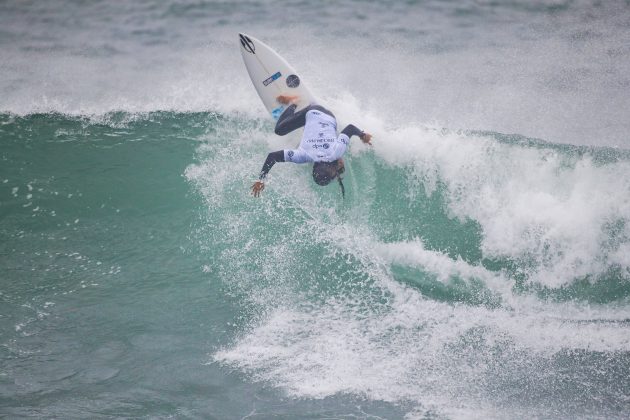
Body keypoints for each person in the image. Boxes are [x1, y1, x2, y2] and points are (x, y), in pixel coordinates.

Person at [251, 95, 372, 198]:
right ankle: (293, 103)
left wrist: (362, 135)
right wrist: (261, 180)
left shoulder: (337, 152)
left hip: (330, 117)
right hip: (313, 111)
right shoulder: (303, 156)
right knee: (279, 130)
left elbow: (350, 128)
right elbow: (272, 157)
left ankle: (298, 108)